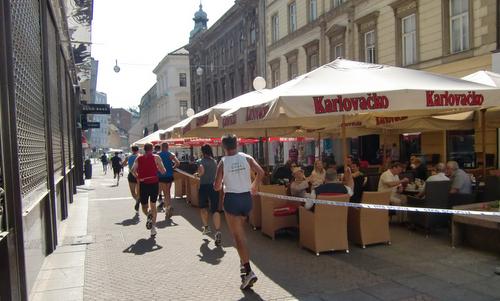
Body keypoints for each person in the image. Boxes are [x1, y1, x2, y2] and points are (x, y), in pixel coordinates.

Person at [214, 134, 264, 290]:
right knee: (240, 234)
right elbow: (261, 172)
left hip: (232, 199)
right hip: (246, 199)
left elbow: (216, 186)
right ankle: (243, 264)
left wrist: (220, 185)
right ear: (237, 144)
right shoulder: (247, 157)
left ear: (224, 146)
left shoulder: (222, 162)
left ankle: (248, 271)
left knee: (238, 237)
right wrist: (255, 185)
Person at [131, 143, 167, 237]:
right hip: (154, 183)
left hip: (143, 184)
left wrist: (138, 177)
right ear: (152, 149)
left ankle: (148, 215)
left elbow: (132, 170)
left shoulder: (138, 158)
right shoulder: (157, 157)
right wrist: (158, 169)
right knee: (153, 205)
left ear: (144, 149)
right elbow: (163, 171)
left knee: (144, 206)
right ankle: (153, 228)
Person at [196, 144, 222, 246]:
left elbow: (201, 172)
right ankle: (218, 231)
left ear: (203, 152)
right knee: (215, 210)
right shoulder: (214, 161)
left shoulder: (200, 161)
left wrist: (198, 174)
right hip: (214, 186)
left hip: (204, 186)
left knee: (203, 208)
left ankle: (206, 227)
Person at [157, 142, 180, 219]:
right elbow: (178, 163)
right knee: (168, 192)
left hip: (161, 175)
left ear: (161, 147)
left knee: (165, 192)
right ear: (167, 147)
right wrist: (172, 168)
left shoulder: (158, 155)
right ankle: (168, 207)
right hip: (169, 175)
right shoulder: (171, 154)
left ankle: (167, 208)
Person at [125, 146, 140, 213]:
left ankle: (137, 200)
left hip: (131, 175)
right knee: (138, 191)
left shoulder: (128, 157)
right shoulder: (140, 156)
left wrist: (127, 163)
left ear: (132, 150)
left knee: (133, 192)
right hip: (139, 175)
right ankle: (138, 200)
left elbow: (123, 164)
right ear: (138, 150)